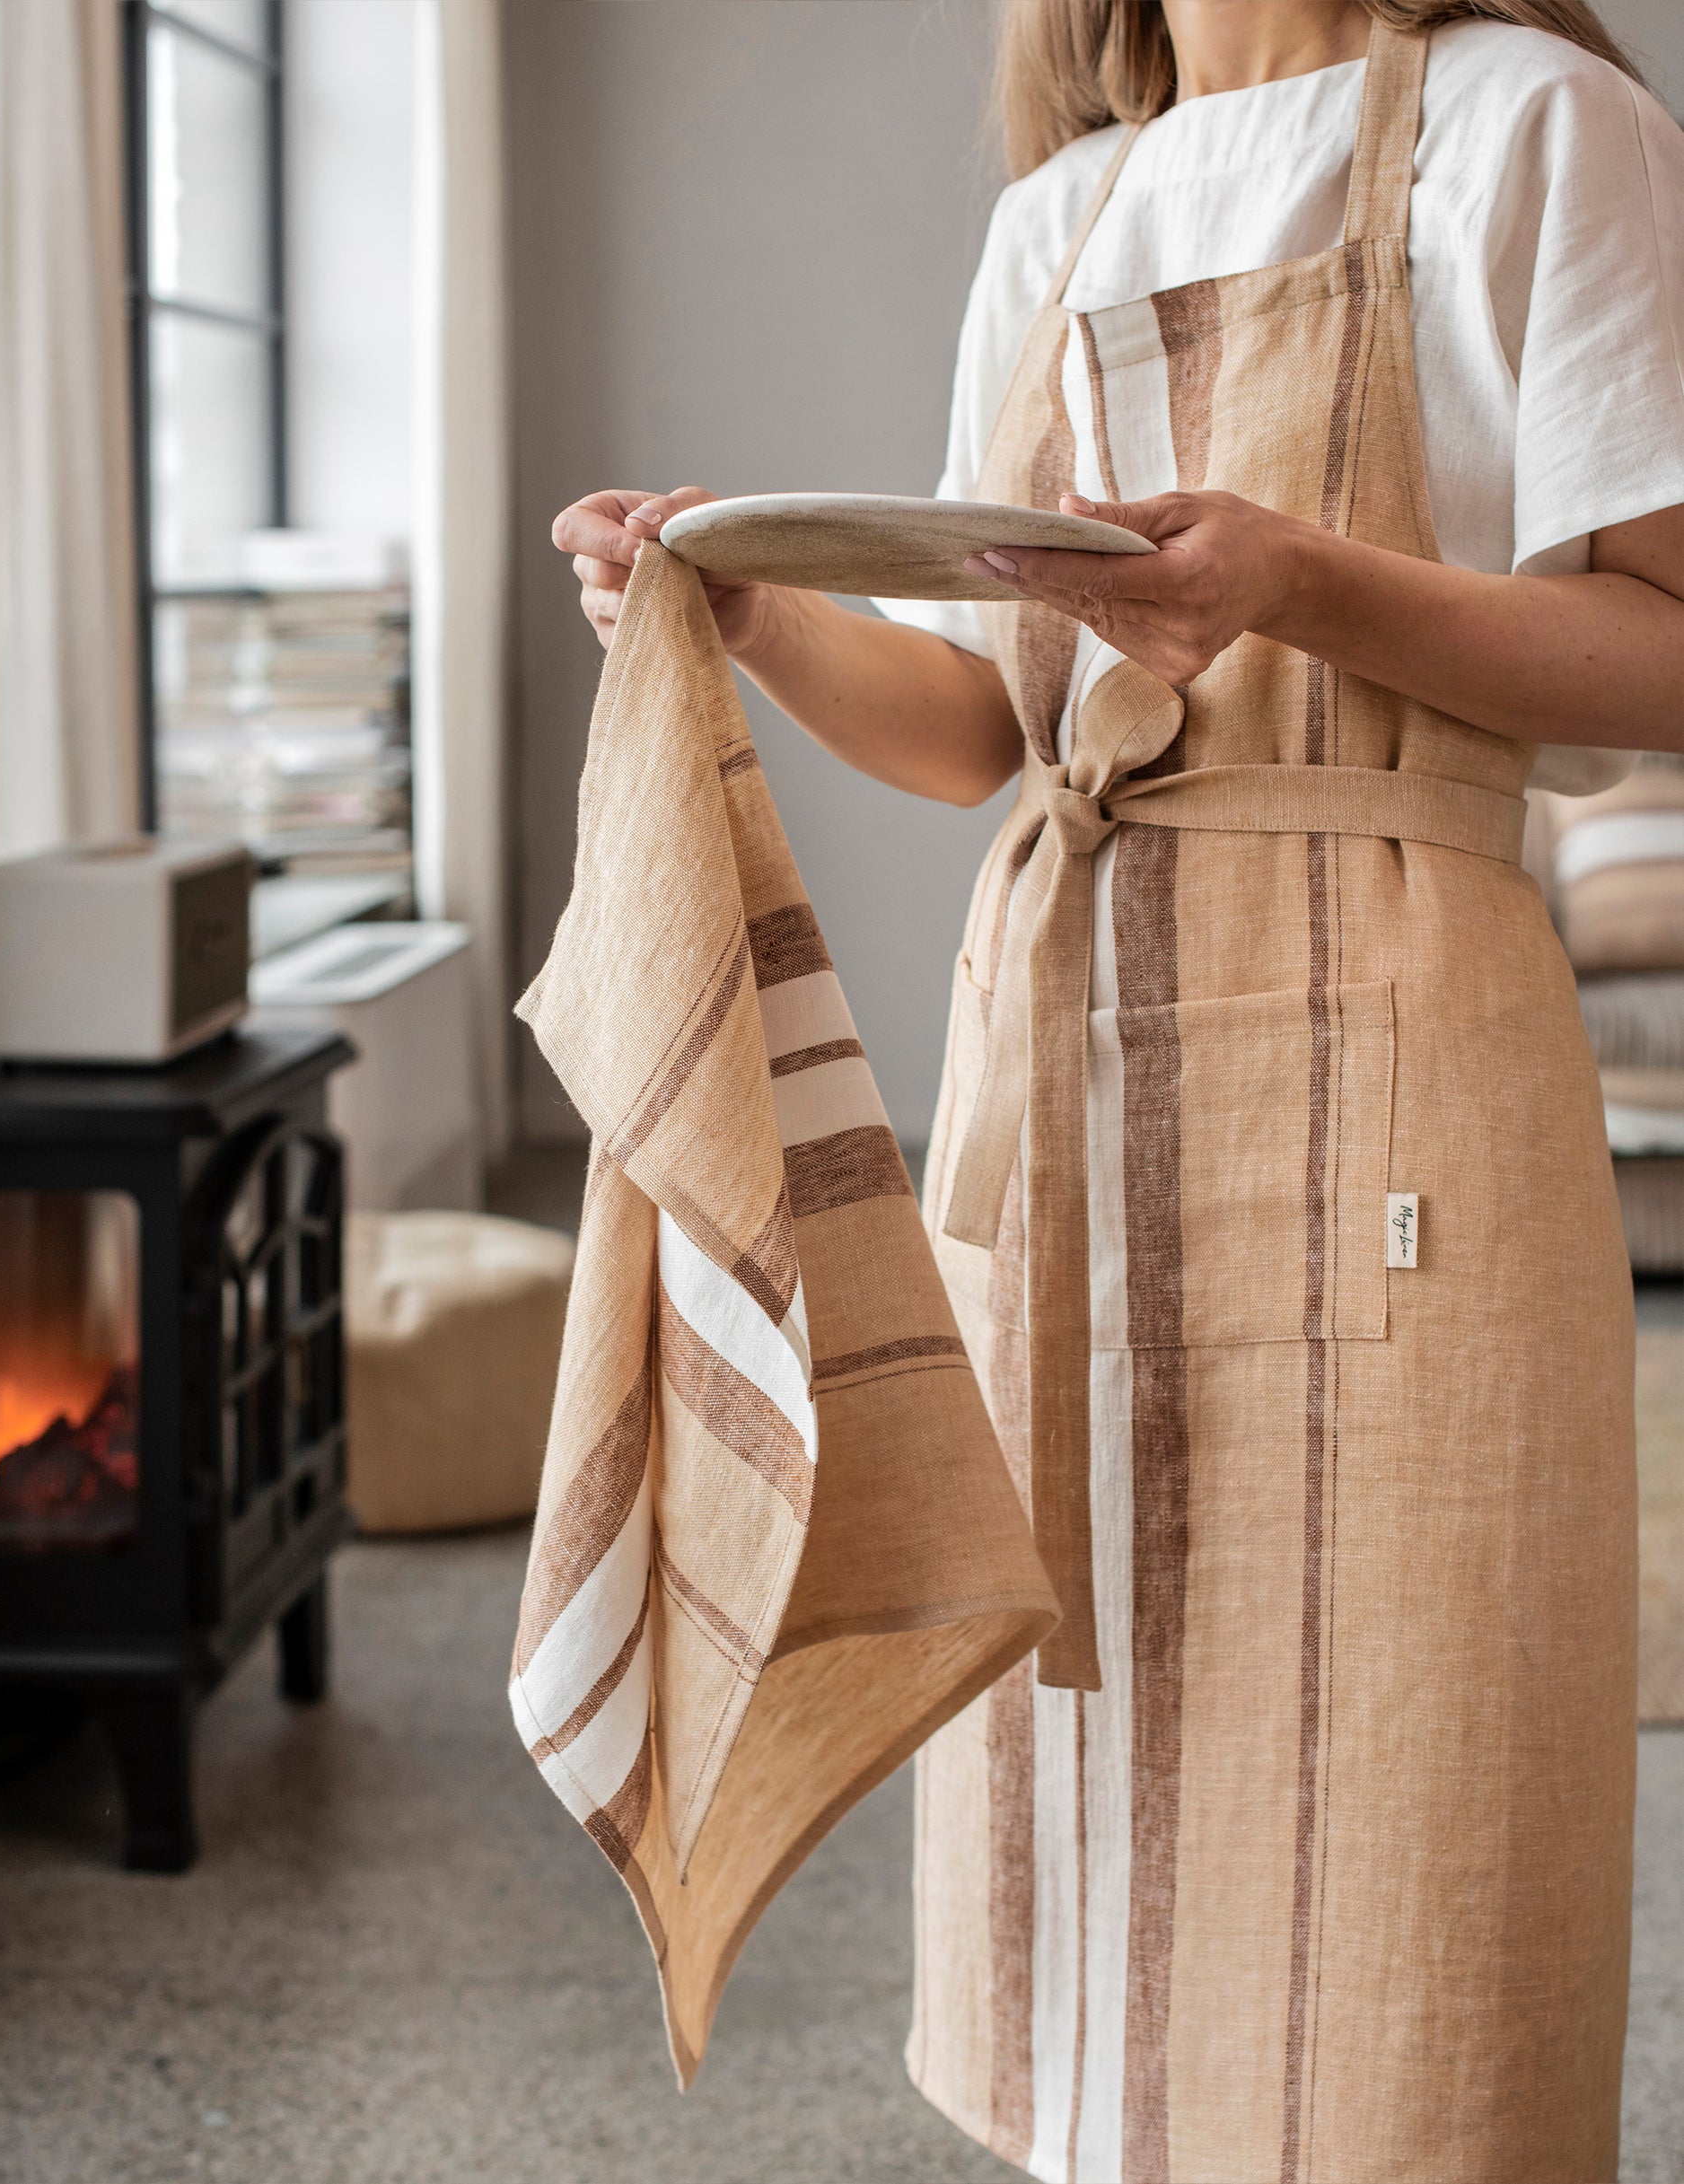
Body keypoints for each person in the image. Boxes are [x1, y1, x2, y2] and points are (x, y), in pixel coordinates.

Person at [552, 4, 1684, 2178]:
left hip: (1407, 1058)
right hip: (1066, 1073)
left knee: (1413, 1789)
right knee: (1099, 1812)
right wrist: (748, 610)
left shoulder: (1539, 131)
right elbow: (992, 723)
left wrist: (1301, 584)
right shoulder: (1064, 217)